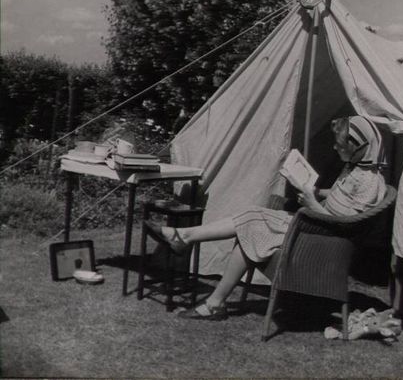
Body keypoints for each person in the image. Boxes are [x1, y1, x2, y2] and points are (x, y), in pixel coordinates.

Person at [146, 115, 387, 320]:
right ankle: (212, 297)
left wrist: (313, 204)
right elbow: (340, 197)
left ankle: (187, 241)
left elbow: (346, 226)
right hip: (315, 227)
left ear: (358, 146)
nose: (336, 148)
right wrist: (316, 191)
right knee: (249, 224)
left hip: (323, 241)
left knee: (251, 221)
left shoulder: (370, 181)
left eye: (341, 144)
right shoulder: (356, 169)